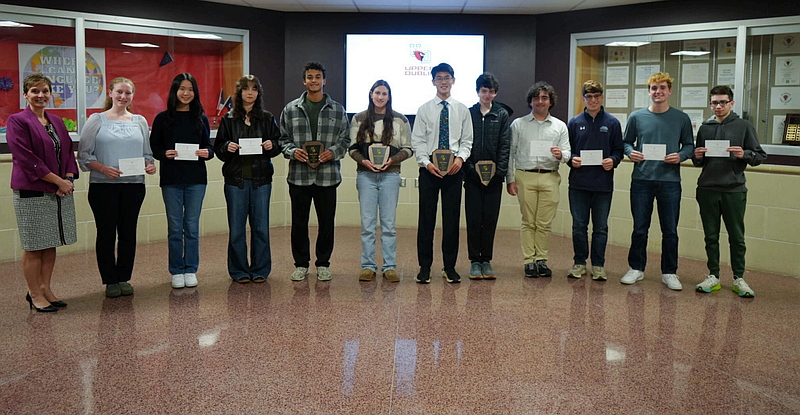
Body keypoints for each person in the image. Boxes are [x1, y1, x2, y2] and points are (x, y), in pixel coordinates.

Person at [78, 77, 156, 298]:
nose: (123, 97)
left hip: (133, 187)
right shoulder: (97, 120)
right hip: (103, 188)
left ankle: (123, 277)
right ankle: (110, 280)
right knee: (106, 234)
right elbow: (84, 156)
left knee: (128, 233)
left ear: (133, 95)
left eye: (128, 93)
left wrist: (150, 166)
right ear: (110, 92)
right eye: (119, 92)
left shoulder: (139, 121)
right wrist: (102, 168)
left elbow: (146, 154)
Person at [7, 73, 79, 312]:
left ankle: (46, 288)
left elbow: (68, 151)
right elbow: (27, 158)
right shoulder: (17, 121)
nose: (41, 95)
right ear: (25, 94)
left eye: (45, 91)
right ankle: (34, 294)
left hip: (58, 190)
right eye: (35, 91)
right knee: (34, 245)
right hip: (32, 191)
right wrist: (58, 181)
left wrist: (68, 178)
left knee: (50, 243)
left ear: (50, 94)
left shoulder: (57, 121)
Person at [621, 72, 694, 290]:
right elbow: (626, 143)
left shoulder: (681, 118)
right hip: (642, 180)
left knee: (670, 229)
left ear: (670, 91)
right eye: (654, 88)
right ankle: (636, 268)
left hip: (669, 181)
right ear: (649, 91)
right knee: (640, 228)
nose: (658, 92)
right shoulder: (636, 117)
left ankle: (669, 272)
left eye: (662, 88)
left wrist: (680, 156)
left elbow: (689, 146)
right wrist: (630, 152)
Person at [692, 85, 766, 297]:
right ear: (710, 104)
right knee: (710, 236)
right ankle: (713, 275)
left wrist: (744, 154)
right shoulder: (705, 128)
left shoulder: (743, 126)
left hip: (734, 189)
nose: (718, 106)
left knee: (736, 236)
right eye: (714, 102)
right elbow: (699, 161)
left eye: (723, 102)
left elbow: (759, 156)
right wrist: (697, 155)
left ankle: (739, 278)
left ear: (731, 104)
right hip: (707, 189)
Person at [279, 61, 350, 282]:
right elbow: (283, 140)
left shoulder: (337, 110)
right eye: (310, 77)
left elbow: (345, 140)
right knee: (299, 223)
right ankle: (301, 264)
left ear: (324, 80)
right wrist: (293, 152)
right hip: (299, 177)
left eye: (318, 77)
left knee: (326, 223)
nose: (314, 81)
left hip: (327, 177)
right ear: (304, 80)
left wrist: (333, 152)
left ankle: (323, 264)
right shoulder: (290, 109)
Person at [214, 75, 282, 283]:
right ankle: (239, 270)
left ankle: (260, 269)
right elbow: (219, 149)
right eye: (245, 89)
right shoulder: (228, 118)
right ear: (239, 93)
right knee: (236, 229)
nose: (250, 93)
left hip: (261, 181)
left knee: (260, 227)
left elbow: (279, 144)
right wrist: (227, 147)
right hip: (236, 181)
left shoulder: (267, 118)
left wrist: (272, 146)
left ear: (258, 93)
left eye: (254, 89)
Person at [410, 62, 473, 284]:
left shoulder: (462, 110)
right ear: (433, 82)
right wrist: (427, 164)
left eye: (447, 77)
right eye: (439, 78)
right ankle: (424, 267)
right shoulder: (424, 109)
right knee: (426, 220)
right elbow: (417, 141)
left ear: (453, 80)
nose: (444, 82)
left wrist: (460, 159)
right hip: (429, 171)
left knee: (451, 220)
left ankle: (449, 267)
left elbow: (467, 141)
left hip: (454, 172)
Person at [150, 73, 214, 289]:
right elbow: (154, 148)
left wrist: (207, 153)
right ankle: (177, 270)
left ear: (195, 93)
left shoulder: (201, 118)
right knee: (176, 227)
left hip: (196, 179)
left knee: (192, 227)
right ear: (175, 91)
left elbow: (210, 147)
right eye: (182, 89)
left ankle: (191, 268)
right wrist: (164, 154)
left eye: (190, 89)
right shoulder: (162, 118)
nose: (186, 93)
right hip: (171, 180)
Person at [349, 80, 412, 283]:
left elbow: (408, 149)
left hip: (390, 176)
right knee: (367, 224)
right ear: (371, 94)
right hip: (365, 176)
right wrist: (364, 162)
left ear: (389, 96)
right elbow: (352, 149)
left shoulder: (400, 120)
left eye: (384, 93)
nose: (380, 97)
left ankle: (389, 266)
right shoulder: (359, 119)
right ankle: (368, 266)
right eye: (377, 93)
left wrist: (392, 160)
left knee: (389, 225)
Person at [506, 82, 570, 278]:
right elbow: (510, 153)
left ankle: (541, 260)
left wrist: (561, 155)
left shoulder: (560, 126)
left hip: (550, 176)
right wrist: (510, 179)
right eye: (536, 98)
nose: (540, 101)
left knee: (544, 223)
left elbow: (567, 152)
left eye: (544, 98)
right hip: (525, 175)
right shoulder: (518, 124)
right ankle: (528, 261)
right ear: (530, 101)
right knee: (528, 221)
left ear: (550, 102)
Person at [566, 80, 624, 280]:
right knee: (578, 226)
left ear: (602, 98)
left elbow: (619, 151)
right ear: (584, 99)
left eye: (596, 96)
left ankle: (598, 265)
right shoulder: (574, 123)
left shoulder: (612, 123)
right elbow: (568, 152)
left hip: (603, 185)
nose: (593, 100)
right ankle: (579, 263)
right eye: (589, 97)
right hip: (578, 185)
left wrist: (613, 160)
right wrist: (571, 160)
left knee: (601, 227)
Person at [464, 72, 511, 280]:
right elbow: (462, 143)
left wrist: (499, 172)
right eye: (484, 91)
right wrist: (471, 170)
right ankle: (475, 261)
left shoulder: (501, 115)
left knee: (490, 219)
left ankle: (487, 260)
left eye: (491, 91)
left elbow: (505, 146)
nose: (487, 95)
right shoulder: (468, 113)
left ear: (495, 93)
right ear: (477, 92)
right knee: (474, 219)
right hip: (472, 176)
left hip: (494, 178)